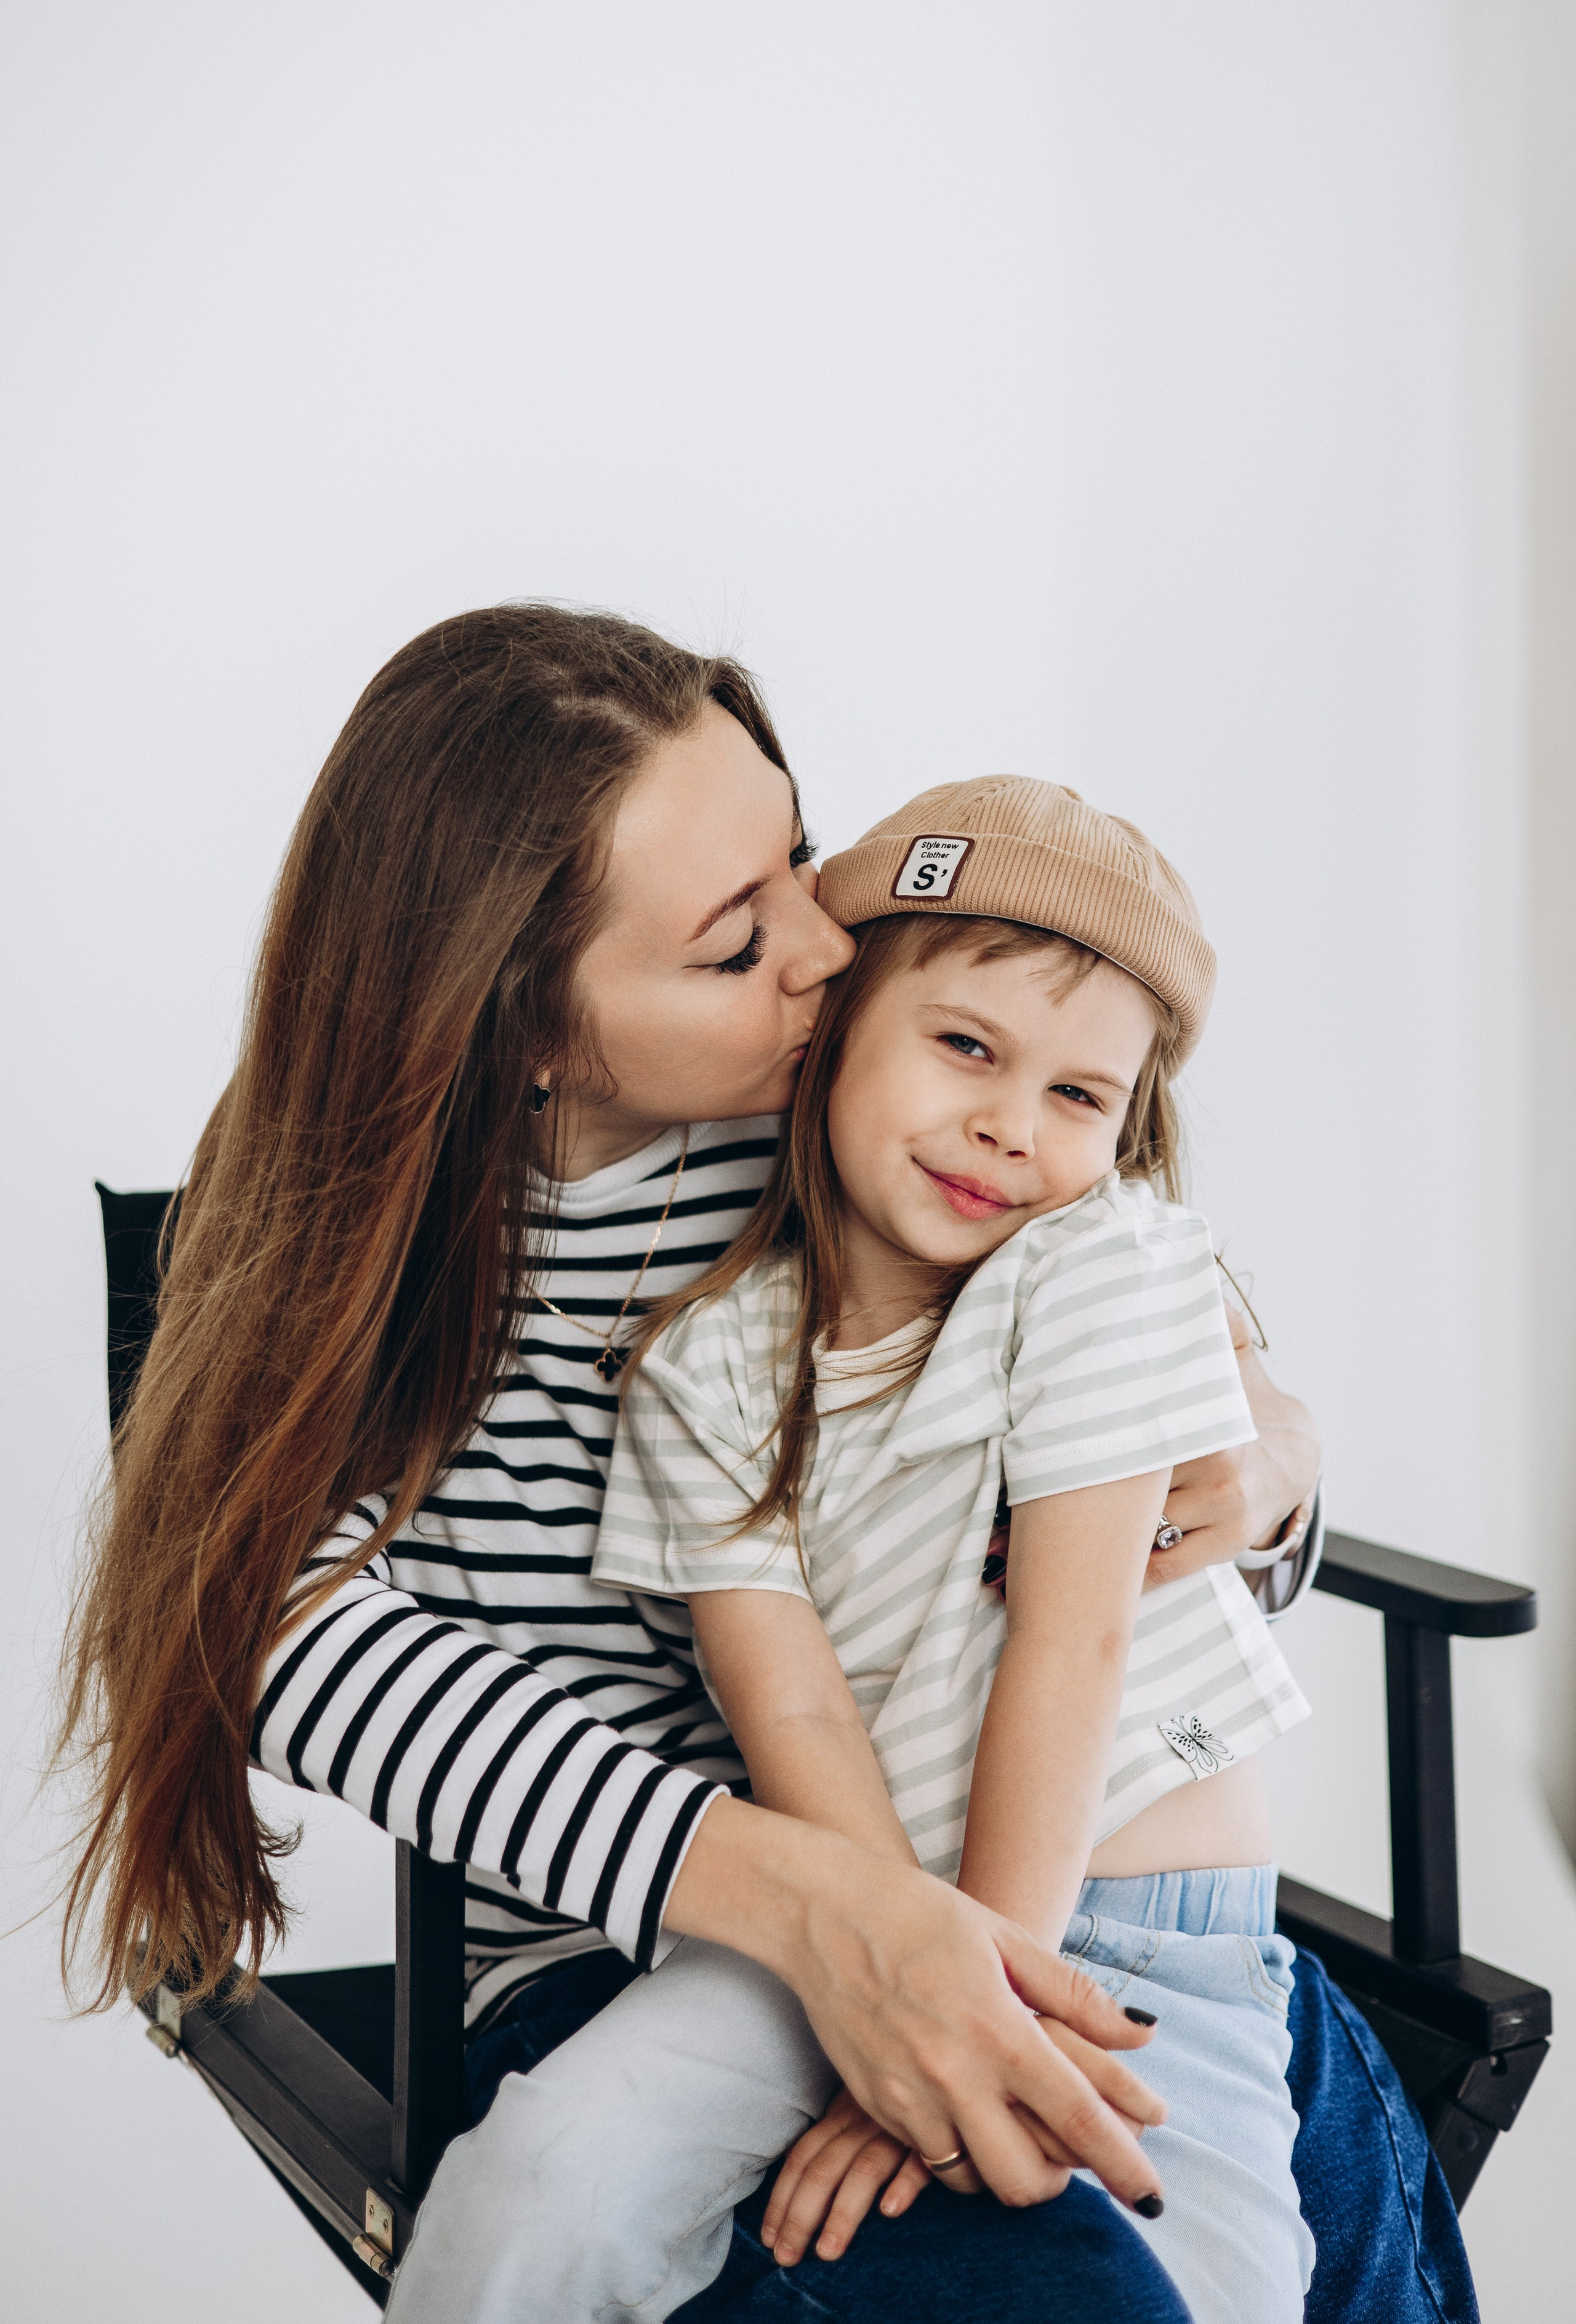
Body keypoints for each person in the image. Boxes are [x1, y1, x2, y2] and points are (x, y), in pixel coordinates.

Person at [57, 606, 1474, 2324]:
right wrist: (825, 1910)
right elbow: (265, 1631)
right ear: (532, 1035)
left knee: (1278, 2177)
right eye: (736, 943)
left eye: (800, 856)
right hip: (639, 1933)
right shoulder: (367, 1239)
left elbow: (1132, 1375)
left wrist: (1271, 1474)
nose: (828, 948)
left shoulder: (858, 1125)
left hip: (1026, 1860)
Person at [592, 779, 1316, 2324]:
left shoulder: (1091, 1266)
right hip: (867, 1911)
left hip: (1142, 1939)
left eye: (1077, 1097)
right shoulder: (711, 1359)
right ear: (833, 1029)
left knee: (1223, 2289)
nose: (1007, 1122)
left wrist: (963, 2002)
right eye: (966, 1047)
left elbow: (1076, 1646)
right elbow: (787, 1714)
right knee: (564, 2196)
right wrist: (911, 1997)